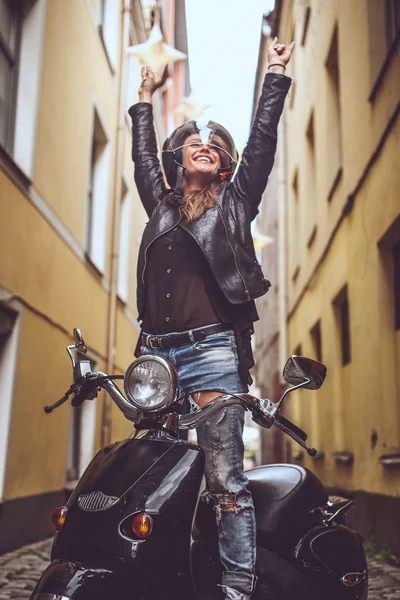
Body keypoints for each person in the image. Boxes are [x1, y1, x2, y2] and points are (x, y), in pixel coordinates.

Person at [128, 36, 294, 600]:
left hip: (211, 351)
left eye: (215, 145)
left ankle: (237, 586)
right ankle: (155, 572)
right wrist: (143, 100)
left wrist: (275, 75)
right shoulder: (163, 205)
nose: (205, 145)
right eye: (195, 141)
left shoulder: (236, 202)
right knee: (154, 470)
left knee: (225, 478)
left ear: (224, 164)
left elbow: (264, 142)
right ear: (181, 161)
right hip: (156, 357)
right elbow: (143, 158)